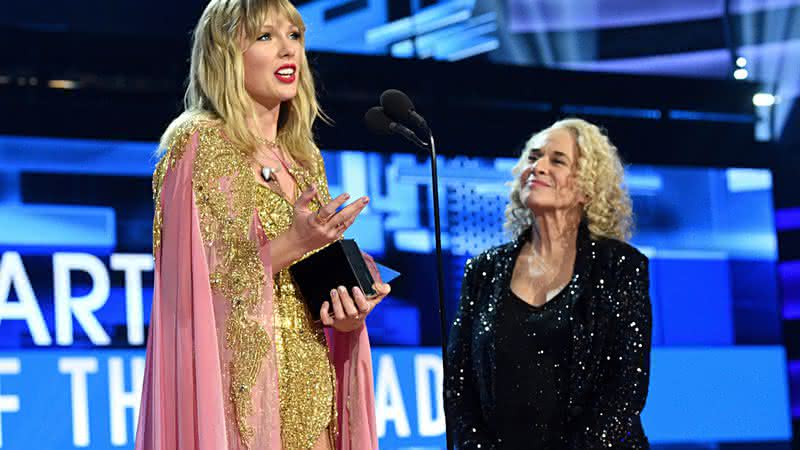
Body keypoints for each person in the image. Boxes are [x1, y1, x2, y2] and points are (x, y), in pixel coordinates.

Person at [134, 0, 389, 449]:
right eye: (265, 37)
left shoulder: (304, 160)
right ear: (225, 54)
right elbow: (190, 295)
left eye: (294, 36)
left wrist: (349, 309)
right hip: (237, 400)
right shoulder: (198, 146)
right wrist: (295, 241)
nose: (287, 50)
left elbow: (306, 292)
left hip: (312, 397)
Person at [445, 118, 652, 449]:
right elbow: (459, 386)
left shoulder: (619, 266)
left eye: (557, 160)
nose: (538, 167)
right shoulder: (483, 270)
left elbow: (624, 390)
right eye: (533, 157)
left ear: (587, 186)